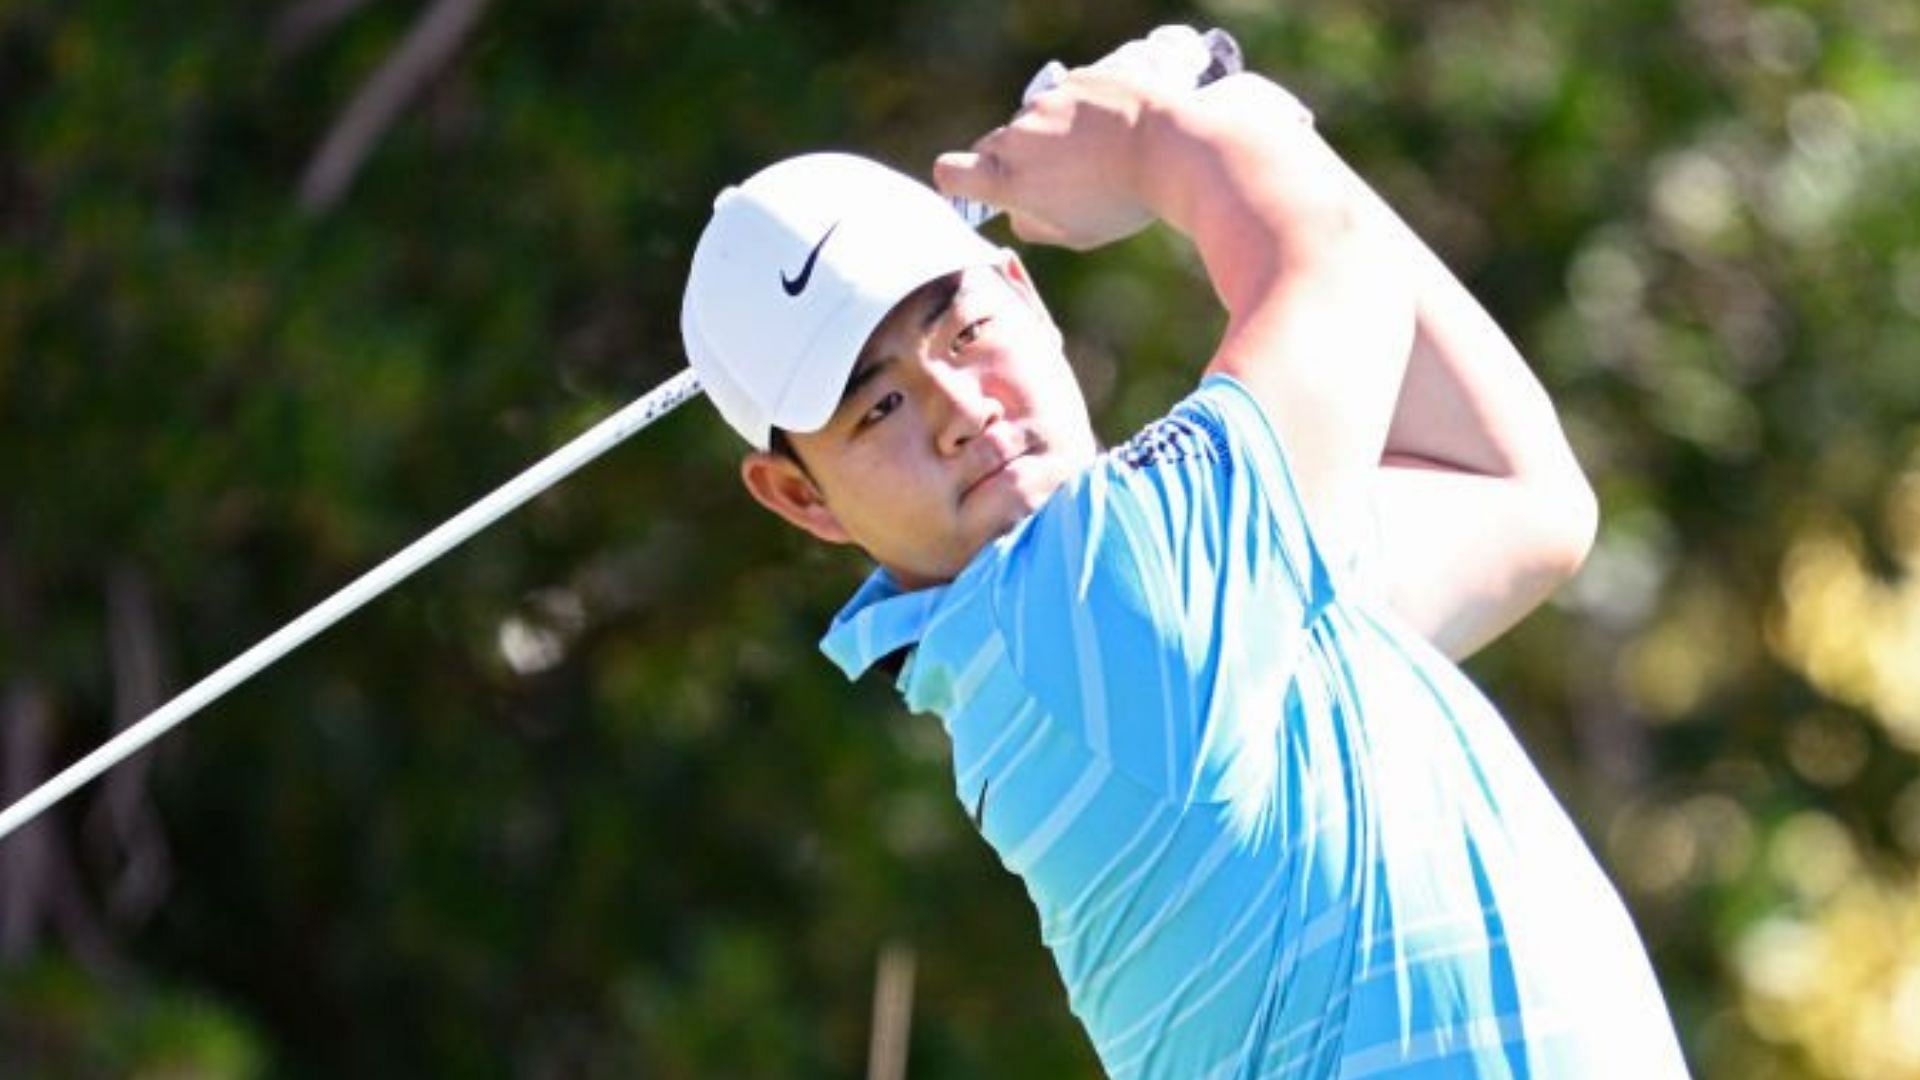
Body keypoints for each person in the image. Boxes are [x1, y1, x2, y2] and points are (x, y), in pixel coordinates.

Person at [679, 32, 1688, 1079]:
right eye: (880, 404)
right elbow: (1327, 262)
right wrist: (1156, 139)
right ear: (801, 496)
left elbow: (1518, 498)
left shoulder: (1210, 596)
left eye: (965, 332)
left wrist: (1222, 113)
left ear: (1024, 296)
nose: (961, 412)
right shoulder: (1095, 604)